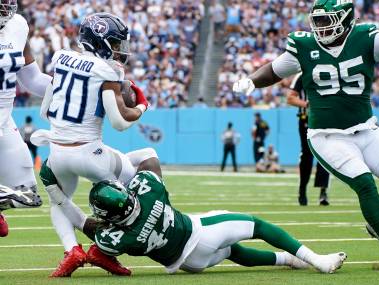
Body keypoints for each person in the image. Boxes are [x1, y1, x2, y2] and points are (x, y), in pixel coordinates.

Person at [233, 0, 379, 272]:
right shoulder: (304, 46)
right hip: (326, 135)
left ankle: (378, 222)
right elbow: (274, 70)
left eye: (328, 20)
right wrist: (251, 80)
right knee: (365, 184)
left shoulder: (367, 39)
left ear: (346, 20)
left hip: (365, 128)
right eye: (318, 21)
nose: (321, 27)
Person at [31, 13, 156, 278]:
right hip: (90, 153)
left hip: (57, 152)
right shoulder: (108, 70)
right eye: (115, 41)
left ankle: (71, 250)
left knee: (59, 202)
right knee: (144, 167)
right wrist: (143, 105)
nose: (120, 48)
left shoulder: (62, 58)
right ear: (100, 41)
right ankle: (106, 251)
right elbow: (120, 122)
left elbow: (45, 111)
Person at [87, 172, 346, 276]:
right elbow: (149, 161)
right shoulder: (149, 188)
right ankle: (317, 260)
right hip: (199, 232)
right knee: (258, 226)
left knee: (233, 251)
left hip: (189, 264)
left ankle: (288, 260)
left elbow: (95, 232)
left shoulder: (118, 238)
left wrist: (70, 213)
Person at [0, 0, 53, 237]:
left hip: (4, 121)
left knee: (27, 195)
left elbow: (32, 80)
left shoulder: (18, 25)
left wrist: (72, 85)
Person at [287, 73, 330, 206]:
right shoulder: (301, 76)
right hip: (307, 120)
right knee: (307, 155)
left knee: (326, 155)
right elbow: (290, 99)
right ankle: (302, 189)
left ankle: (323, 191)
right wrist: (307, 104)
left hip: (326, 120)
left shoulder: (329, 72)